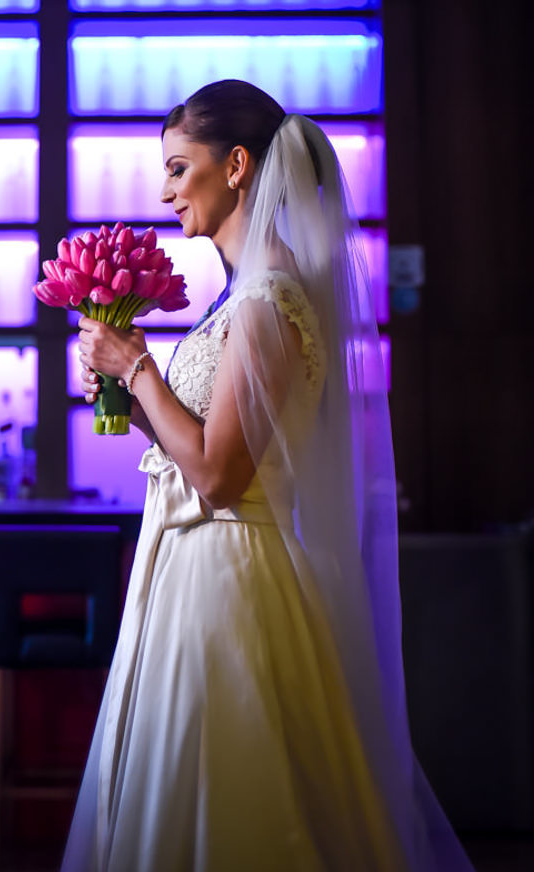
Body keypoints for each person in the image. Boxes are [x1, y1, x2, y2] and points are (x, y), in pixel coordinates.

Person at [64, 80, 473, 871]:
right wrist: (133, 396)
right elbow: (210, 448)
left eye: (180, 169)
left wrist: (139, 366)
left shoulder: (266, 302)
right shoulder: (239, 300)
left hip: (231, 583)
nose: (165, 190)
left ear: (239, 165)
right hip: (191, 569)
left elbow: (220, 478)